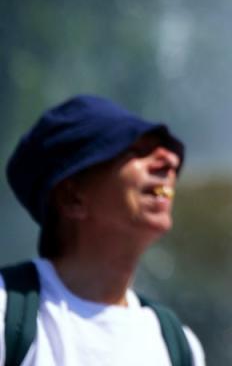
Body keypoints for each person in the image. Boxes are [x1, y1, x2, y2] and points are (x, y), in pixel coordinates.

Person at [0, 94, 205, 365]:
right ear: (72, 197)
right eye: (138, 150)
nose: (171, 161)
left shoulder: (180, 345)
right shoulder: (6, 313)